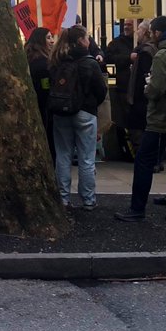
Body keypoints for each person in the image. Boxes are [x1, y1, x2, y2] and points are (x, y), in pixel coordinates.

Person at [114, 17, 166, 224]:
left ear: (160, 33)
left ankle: (137, 209)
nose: (151, 34)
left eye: (152, 31)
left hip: (161, 119)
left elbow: (156, 89)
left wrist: (146, 87)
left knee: (143, 162)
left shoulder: (162, 56)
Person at [48, 25, 107, 209]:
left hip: (61, 112)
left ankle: (63, 198)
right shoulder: (89, 62)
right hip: (85, 112)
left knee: (63, 155)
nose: (89, 41)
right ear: (81, 40)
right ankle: (88, 200)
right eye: (87, 37)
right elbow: (101, 90)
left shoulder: (57, 60)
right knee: (87, 158)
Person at [125, 20, 156, 161]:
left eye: (139, 29)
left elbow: (145, 75)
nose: (137, 32)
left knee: (139, 128)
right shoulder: (151, 49)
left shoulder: (145, 52)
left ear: (145, 32)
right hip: (146, 97)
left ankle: (145, 159)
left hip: (141, 97)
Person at [104, 20, 136, 156]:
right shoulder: (116, 43)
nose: (127, 27)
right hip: (121, 87)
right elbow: (109, 61)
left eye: (130, 25)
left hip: (137, 89)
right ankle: (127, 151)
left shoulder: (141, 43)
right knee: (122, 121)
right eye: (126, 25)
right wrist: (128, 58)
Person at [24, 27, 56, 160]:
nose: (52, 41)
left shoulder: (29, 58)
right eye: (48, 38)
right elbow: (45, 88)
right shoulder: (42, 63)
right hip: (44, 109)